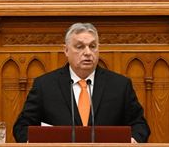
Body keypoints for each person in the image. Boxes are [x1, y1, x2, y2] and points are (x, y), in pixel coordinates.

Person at [12, 23, 150, 143]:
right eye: (80, 47)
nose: (88, 52)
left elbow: (139, 124)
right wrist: (31, 142)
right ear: (66, 50)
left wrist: (134, 140)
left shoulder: (120, 85)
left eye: (93, 46)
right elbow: (22, 126)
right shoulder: (45, 85)